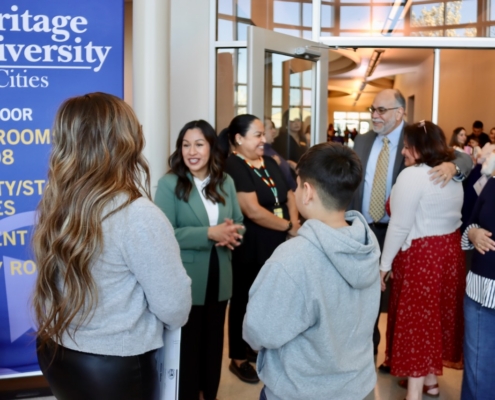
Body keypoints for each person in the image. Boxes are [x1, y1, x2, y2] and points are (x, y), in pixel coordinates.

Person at [33, 92, 192, 400]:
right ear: (124, 140)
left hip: (57, 353)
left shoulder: (56, 202)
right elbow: (175, 308)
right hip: (114, 368)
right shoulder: (137, 214)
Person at [243, 143, 381, 400]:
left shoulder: (293, 259)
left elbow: (258, 332)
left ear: (307, 191)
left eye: (296, 185)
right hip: (359, 388)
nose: (294, 191)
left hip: (302, 392)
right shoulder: (366, 246)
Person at [348, 88, 472, 360]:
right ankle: (366, 357)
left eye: (381, 110)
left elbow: (462, 157)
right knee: (367, 300)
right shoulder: (363, 140)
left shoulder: (417, 138)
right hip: (365, 231)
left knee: (402, 302)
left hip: (405, 236)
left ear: (400, 112)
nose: (374, 116)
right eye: (372, 109)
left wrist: (453, 167)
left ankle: (397, 358)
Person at [154, 120, 244, 400]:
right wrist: (209, 233)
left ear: (211, 148)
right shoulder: (170, 183)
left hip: (221, 276)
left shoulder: (225, 181)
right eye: (185, 144)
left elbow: (239, 221)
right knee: (188, 348)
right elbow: (164, 233)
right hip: (186, 279)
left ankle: (210, 394)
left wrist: (232, 235)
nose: (191, 151)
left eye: (199, 144)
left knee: (214, 345)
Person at [380, 121, 465, 400]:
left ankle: (414, 394)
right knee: (434, 318)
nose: (403, 151)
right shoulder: (452, 173)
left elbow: (400, 226)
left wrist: (383, 266)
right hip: (449, 254)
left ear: (420, 148)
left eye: (407, 146)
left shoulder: (412, 176)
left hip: (421, 255)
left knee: (417, 324)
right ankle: (430, 382)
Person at [218, 114, 300, 384]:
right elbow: (252, 211)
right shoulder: (234, 165)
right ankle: (238, 357)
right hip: (251, 245)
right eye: (257, 135)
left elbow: (289, 194)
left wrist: (294, 223)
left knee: (265, 298)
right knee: (243, 299)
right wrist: (289, 226)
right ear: (239, 139)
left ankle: (255, 346)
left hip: (277, 241)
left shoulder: (268, 162)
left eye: (263, 134)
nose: (264, 140)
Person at [460, 176, 495, 400]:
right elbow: (470, 222)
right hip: (481, 294)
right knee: (478, 373)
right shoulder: (492, 184)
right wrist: (473, 234)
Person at [263, 117, 297, 191]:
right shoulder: (263, 153)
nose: (274, 131)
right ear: (262, 131)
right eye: (271, 128)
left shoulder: (270, 149)